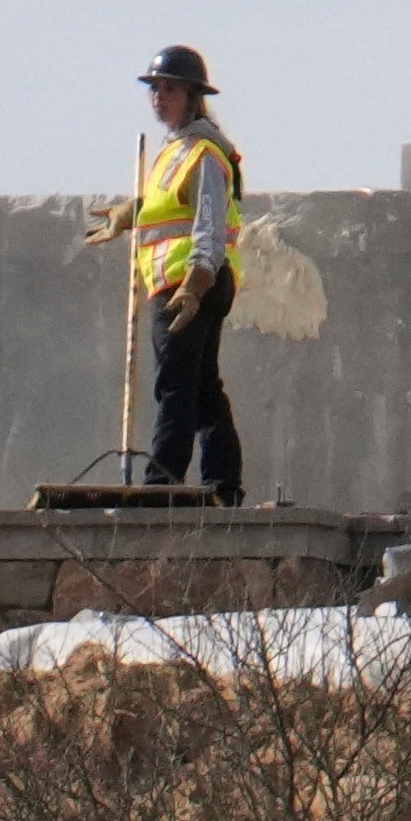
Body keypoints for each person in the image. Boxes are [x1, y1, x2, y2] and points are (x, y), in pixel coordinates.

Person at [119, 46, 249, 501]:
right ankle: (223, 485)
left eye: (169, 88)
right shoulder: (176, 150)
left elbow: (209, 225)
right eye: (155, 88)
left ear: (193, 95)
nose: (159, 97)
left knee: (175, 386)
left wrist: (195, 284)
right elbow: (167, 210)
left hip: (188, 284)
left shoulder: (202, 152)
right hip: (189, 282)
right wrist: (129, 213)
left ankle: (161, 484)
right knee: (202, 388)